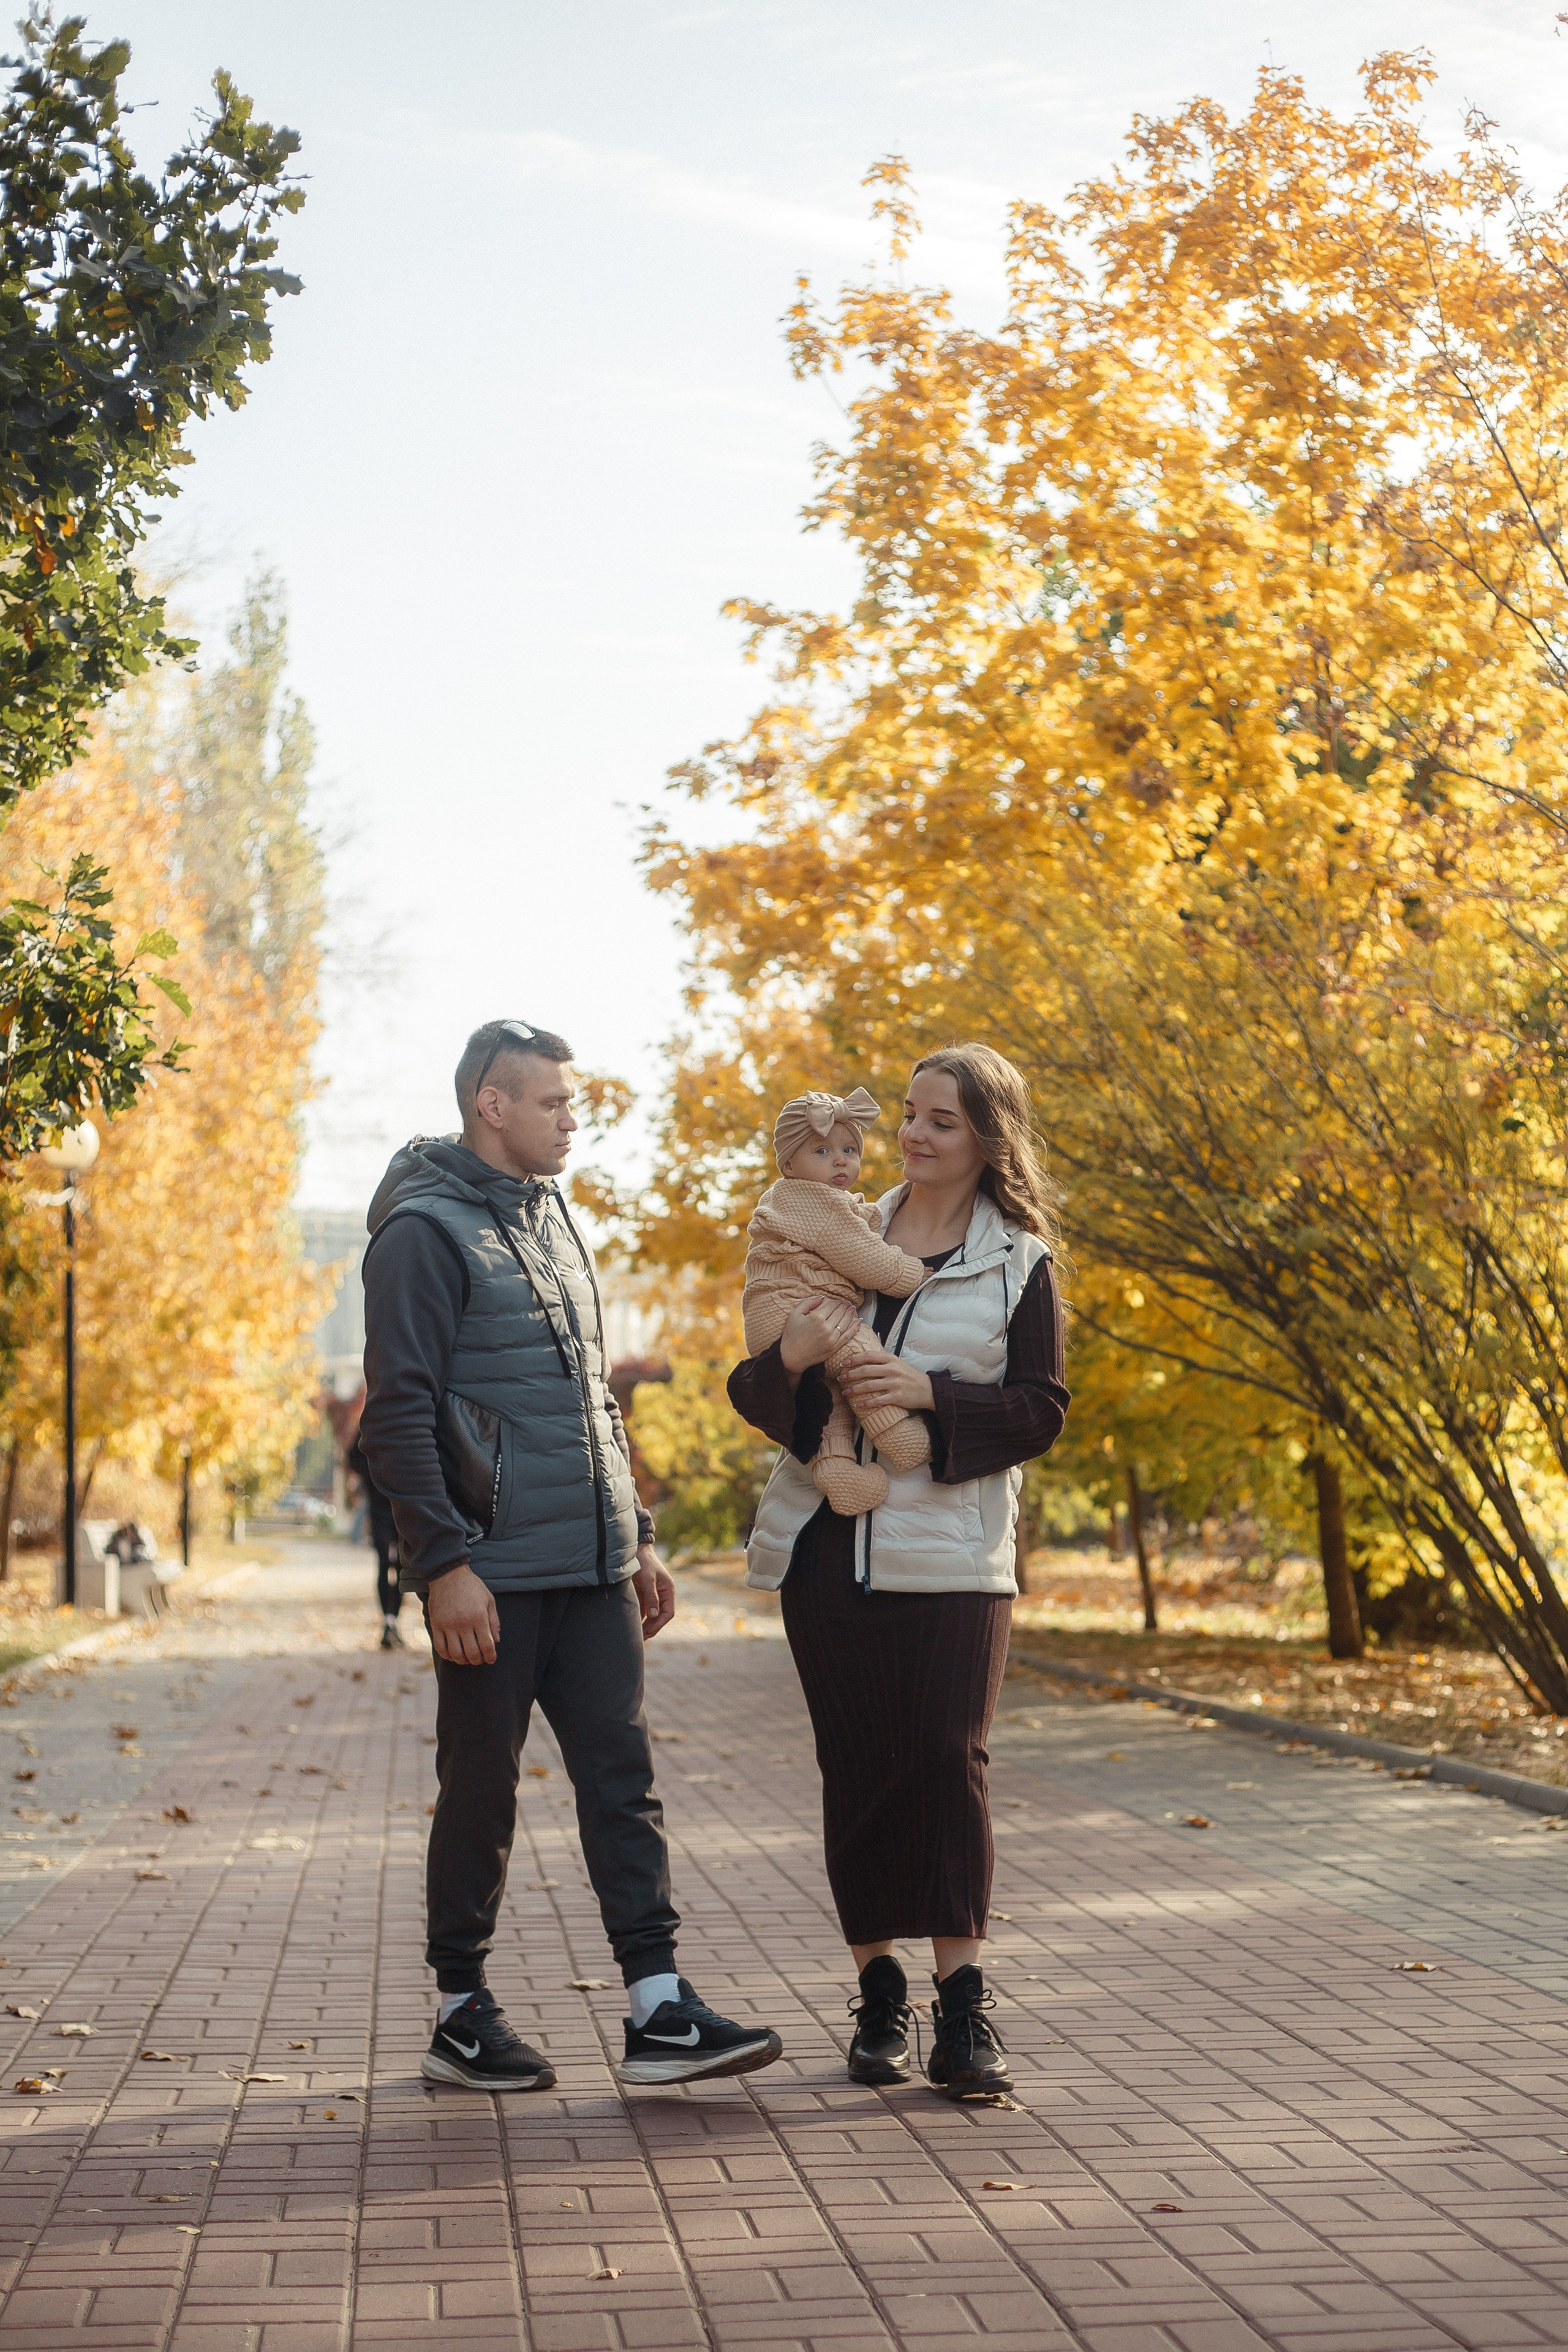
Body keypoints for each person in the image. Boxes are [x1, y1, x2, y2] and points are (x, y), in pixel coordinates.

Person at [358, 1017, 784, 2094]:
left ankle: (658, 2010)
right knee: (481, 1793)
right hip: (490, 1577)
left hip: (592, 1568)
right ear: (489, 1105)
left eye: (572, 1101)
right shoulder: (422, 1232)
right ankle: (460, 2010)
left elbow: (591, 1395)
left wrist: (634, 1532)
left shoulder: (553, 1218)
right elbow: (397, 1418)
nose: (570, 1119)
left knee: (622, 1782)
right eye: (550, 1102)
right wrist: (441, 1566)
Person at [728, 1042, 1069, 2100]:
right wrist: (789, 1361)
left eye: (943, 1121)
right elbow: (752, 1387)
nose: (916, 1135)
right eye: (911, 1115)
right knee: (860, 1765)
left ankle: (963, 2013)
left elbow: (1041, 1408)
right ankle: (879, 1994)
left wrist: (925, 1396)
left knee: (947, 1762)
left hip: (958, 1561)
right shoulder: (832, 1223)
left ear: (986, 1138)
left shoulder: (1019, 1261)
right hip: (828, 1555)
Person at [742, 1085, 929, 1516]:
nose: (841, 1159)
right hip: (795, 1313)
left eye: (848, 1149)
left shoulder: (806, 1201)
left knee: (827, 1399)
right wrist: (914, 1274)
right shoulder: (812, 1202)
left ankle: (839, 1472)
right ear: (789, 1163)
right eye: (822, 1151)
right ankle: (896, 1432)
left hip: (778, 1317)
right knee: (860, 1350)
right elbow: (867, 1261)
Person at [345, 1433, 404, 1648]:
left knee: (402, 1567)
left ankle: (394, 1623)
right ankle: (387, 1623)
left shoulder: (406, 1417)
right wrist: (374, 1475)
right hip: (380, 1507)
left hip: (405, 1507)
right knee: (383, 1563)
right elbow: (353, 1456)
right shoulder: (372, 1418)